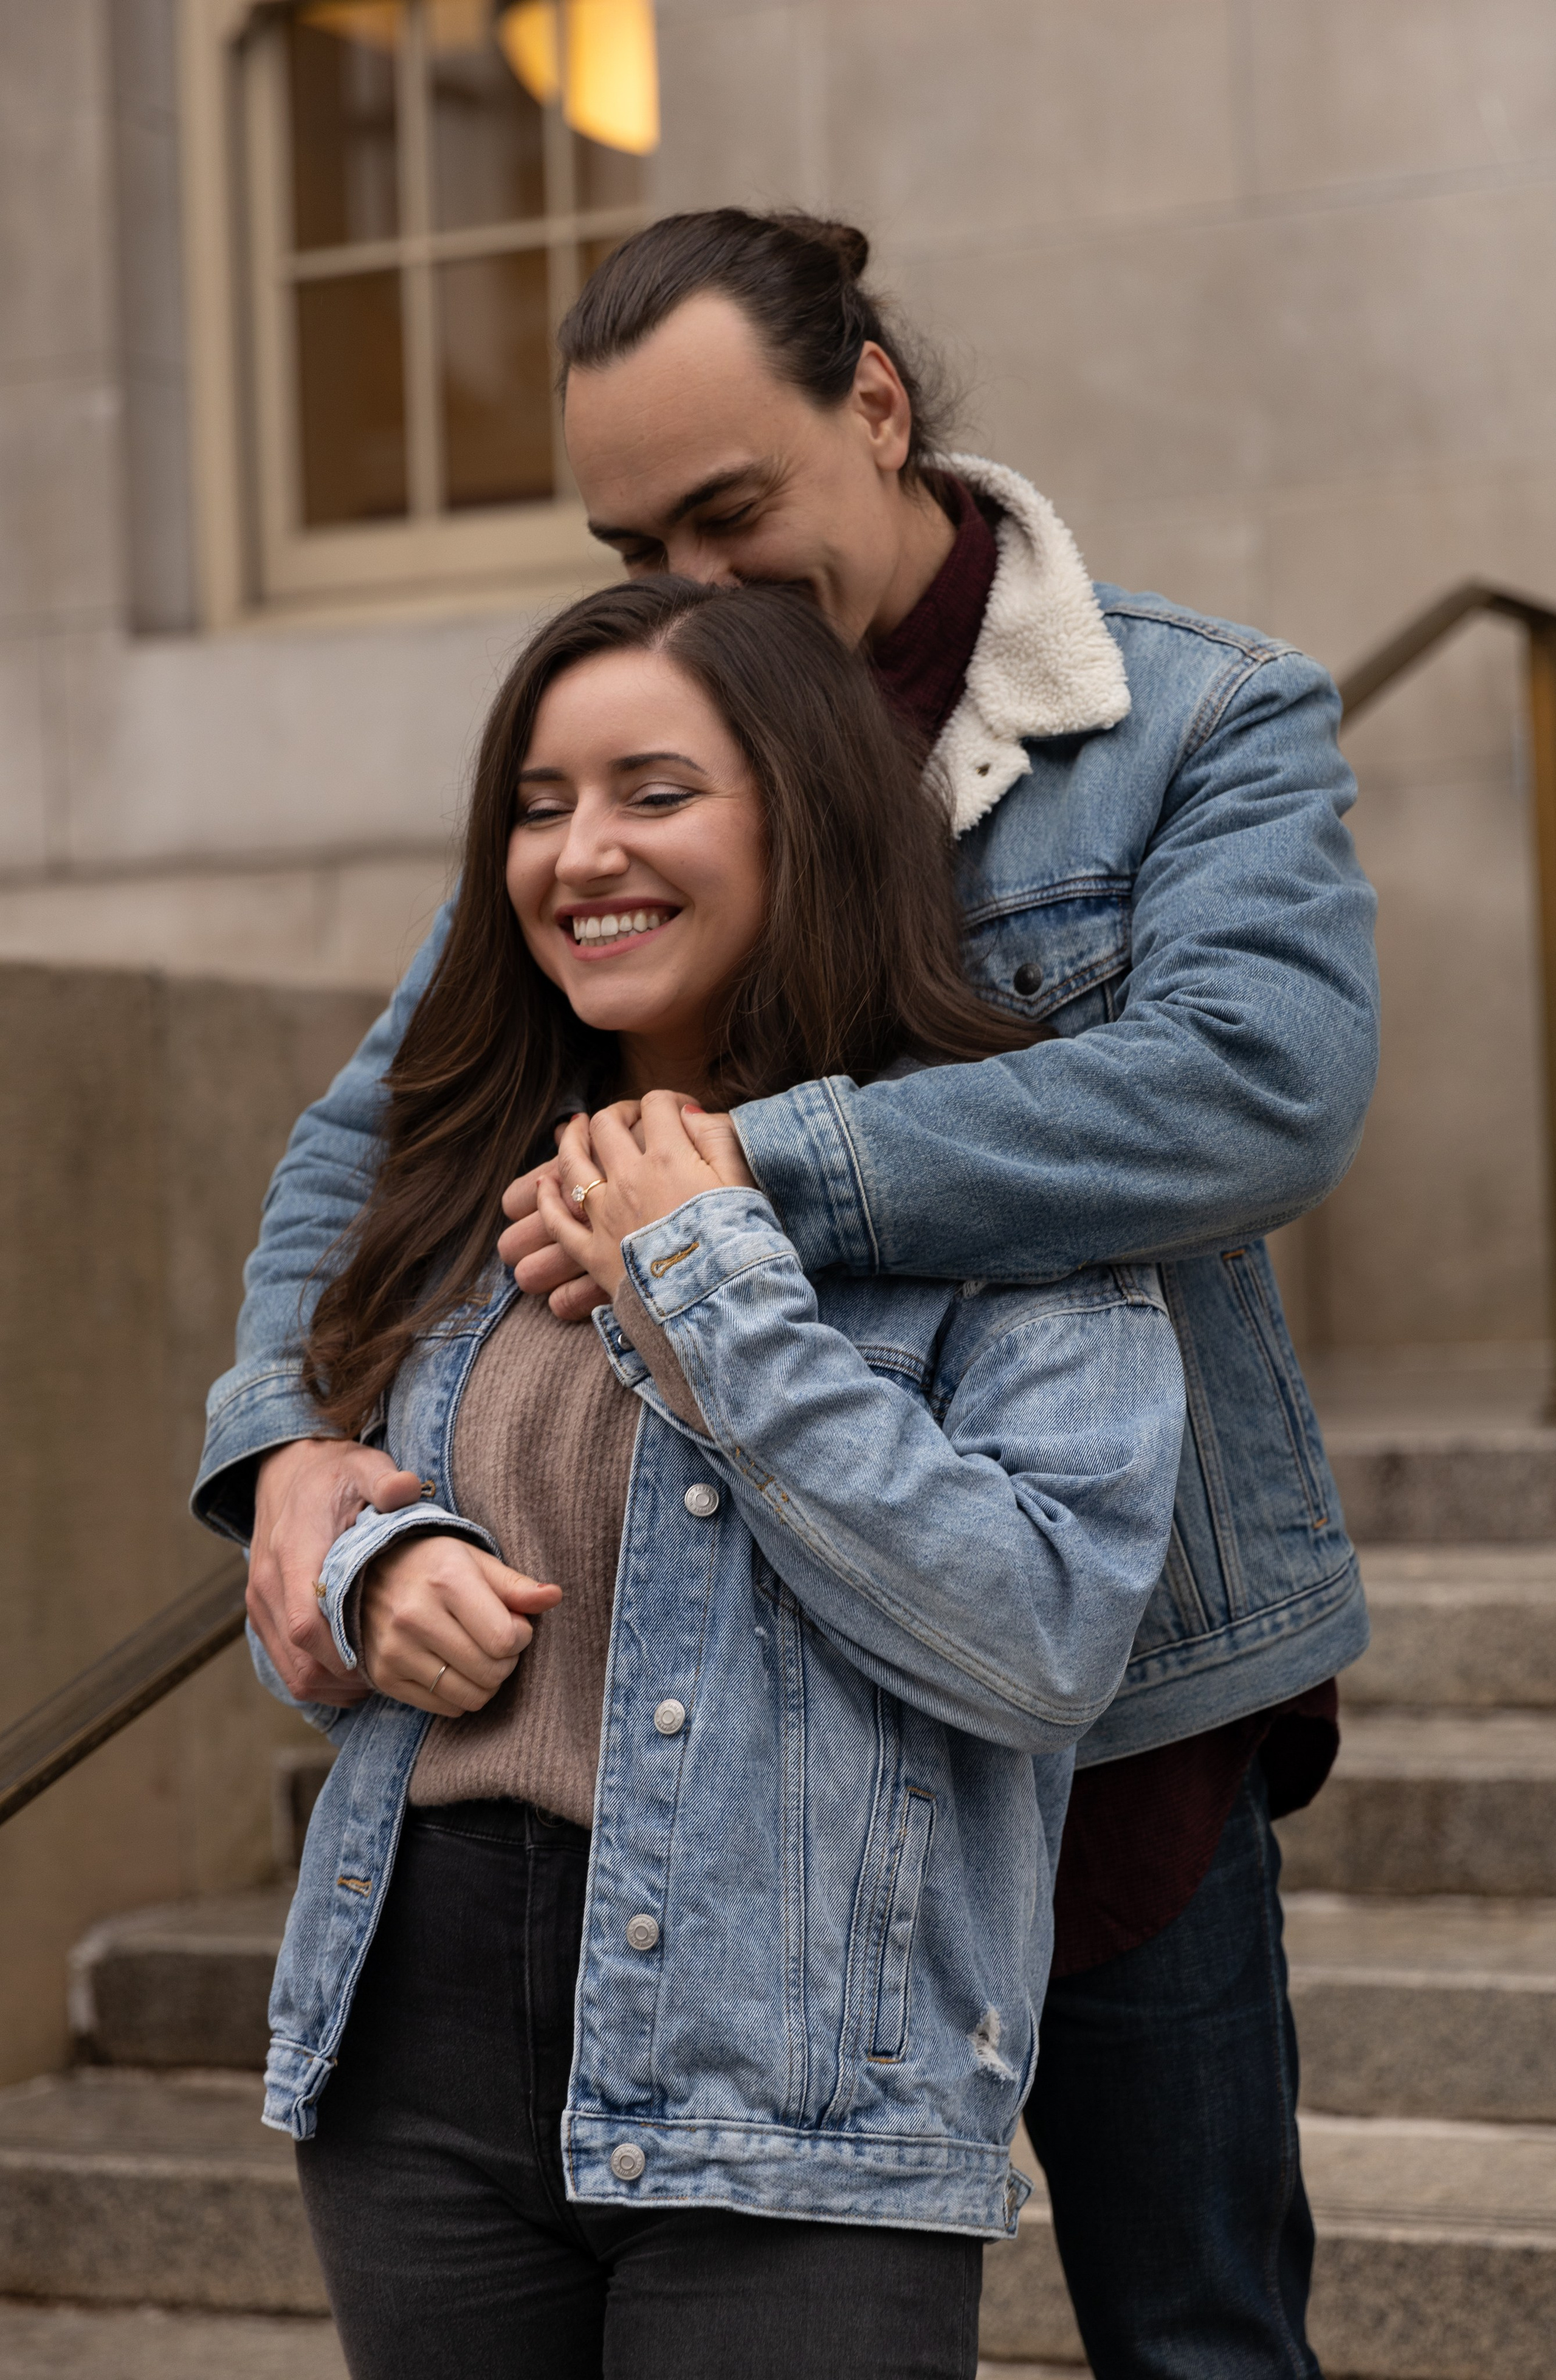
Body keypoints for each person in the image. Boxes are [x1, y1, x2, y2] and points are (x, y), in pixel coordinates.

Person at [195, 212, 1379, 2377]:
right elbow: (390, 1133)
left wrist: (754, 1167)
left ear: (877, 406)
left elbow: (1261, 1088)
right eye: (634, 539)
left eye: (731, 515)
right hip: (703, 1728)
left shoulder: (1198, 715)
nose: (694, 588)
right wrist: (289, 1447)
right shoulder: (622, 760)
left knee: (1197, 2324)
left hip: (1119, 1681)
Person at [238, 574, 1185, 2379]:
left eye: (652, 792)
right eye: (536, 803)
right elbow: (315, 1588)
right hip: (414, 2047)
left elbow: (1040, 1637)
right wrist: (370, 1568)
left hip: (796, 2079)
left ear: (804, 814)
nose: (580, 852)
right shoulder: (465, 1167)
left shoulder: (999, 1183)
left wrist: (709, 1270)